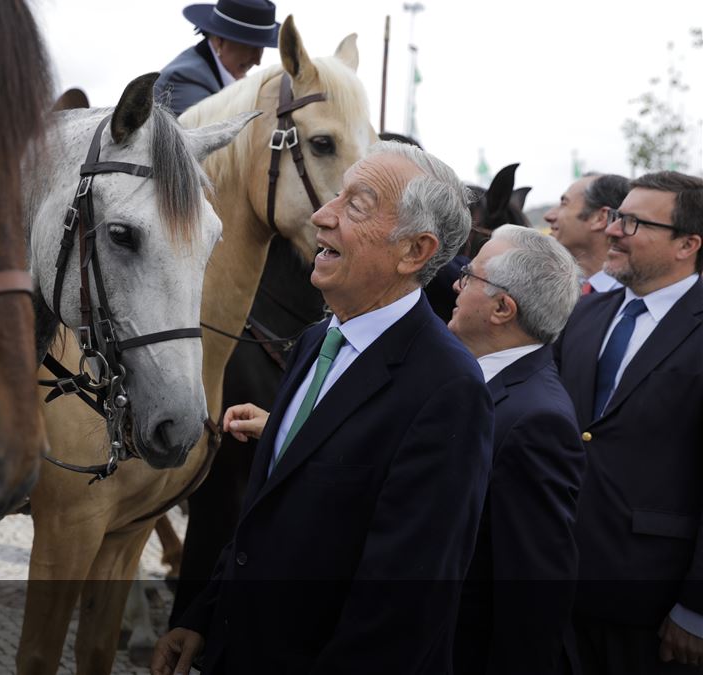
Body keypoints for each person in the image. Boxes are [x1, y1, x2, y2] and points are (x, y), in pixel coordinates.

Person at [152, 141, 493, 674]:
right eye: (337, 195)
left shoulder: (449, 388)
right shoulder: (316, 340)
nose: (320, 215)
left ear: (414, 251)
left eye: (356, 205)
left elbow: (404, 599)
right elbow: (267, 512)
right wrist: (205, 614)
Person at [554, 171, 703, 673]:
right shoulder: (583, 315)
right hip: (552, 586)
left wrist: (695, 608)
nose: (613, 230)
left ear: (687, 243)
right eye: (618, 217)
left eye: (633, 222)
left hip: (651, 609)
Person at [446, 225, 586, 675]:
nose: (456, 283)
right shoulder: (468, 377)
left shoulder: (536, 422)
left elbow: (532, 594)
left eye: (469, 275)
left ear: (503, 308)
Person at [153, 0, 279, 115]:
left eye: (262, 48)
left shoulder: (228, 78)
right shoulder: (185, 78)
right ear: (219, 41)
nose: (258, 61)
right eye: (252, 48)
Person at [545, 173, 630, 294]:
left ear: (600, 218)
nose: (548, 216)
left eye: (564, 203)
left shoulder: (634, 301)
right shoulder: (552, 291)